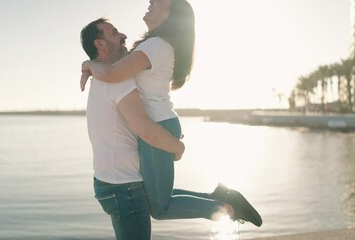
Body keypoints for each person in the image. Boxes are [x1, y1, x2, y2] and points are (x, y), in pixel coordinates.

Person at [81, 0, 262, 229]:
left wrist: (88, 64)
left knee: (160, 208)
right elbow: (112, 70)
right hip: (161, 122)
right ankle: (219, 197)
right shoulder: (155, 44)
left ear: (170, 16)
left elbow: (114, 72)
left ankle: (228, 207)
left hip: (157, 125)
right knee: (157, 196)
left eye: (158, 1)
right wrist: (90, 65)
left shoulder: (156, 45)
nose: (150, 2)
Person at [81, 18, 196, 240]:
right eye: (114, 33)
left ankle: (219, 200)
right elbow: (146, 130)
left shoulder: (102, 78)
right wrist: (178, 146)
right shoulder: (117, 81)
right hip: (124, 189)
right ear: (100, 45)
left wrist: (88, 65)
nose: (123, 36)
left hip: (110, 184)